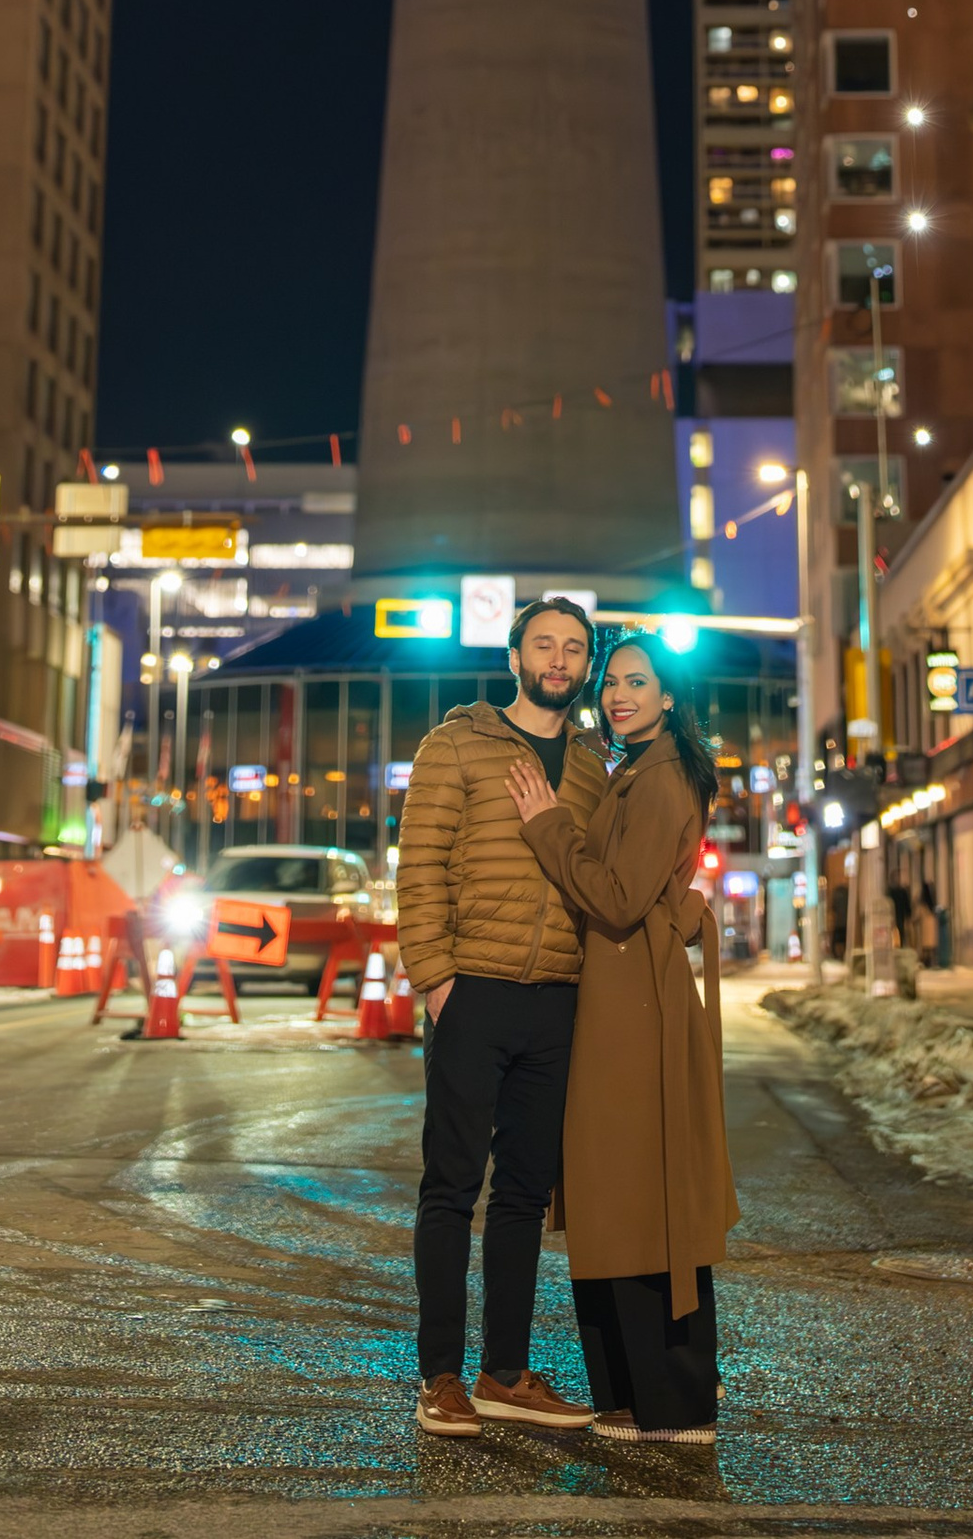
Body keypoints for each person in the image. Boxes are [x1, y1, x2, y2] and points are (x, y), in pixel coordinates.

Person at [508, 633, 738, 1440]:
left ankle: (670, 1400)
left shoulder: (663, 776)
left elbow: (614, 895)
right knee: (618, 1191)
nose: (618, 694)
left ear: (670, 696)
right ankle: (636, 1394)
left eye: (637, 682)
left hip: (635, 1004)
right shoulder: (636, 770)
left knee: (641, 1192)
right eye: (613, 681)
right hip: (618, 997)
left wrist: (547, 827)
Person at [394, 593, 608, 1438]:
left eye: (572, 649)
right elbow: (419, 869)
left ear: (584, 667)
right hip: (472, 991)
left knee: (523, 1194)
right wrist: (438, 981)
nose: (558, 660)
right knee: (451, 1187)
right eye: (543, 645)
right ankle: (441, 1376)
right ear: (515, 654)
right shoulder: (456, 745)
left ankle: (505, 1374)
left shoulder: (593, 766)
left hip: (558, 1000)